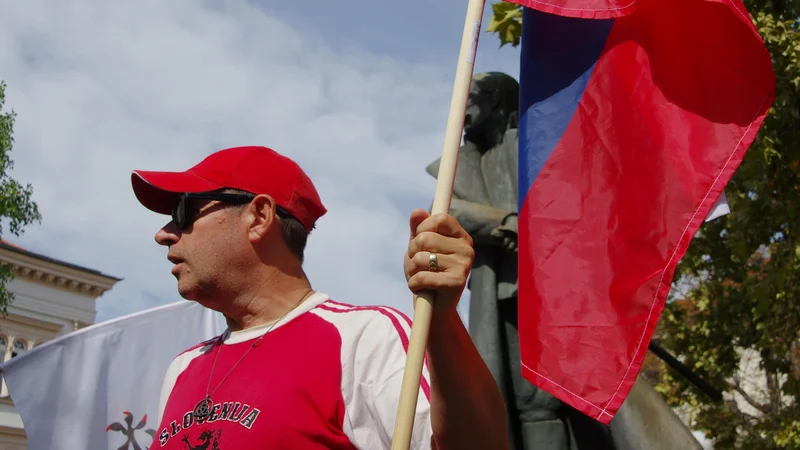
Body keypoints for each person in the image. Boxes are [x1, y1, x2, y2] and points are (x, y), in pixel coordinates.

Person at [130, 145, 509, 449]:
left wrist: (441, 325)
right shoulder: (182, 368)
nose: (163, 233)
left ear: (259, 216)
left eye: (183, 212)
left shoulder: (364, 337)